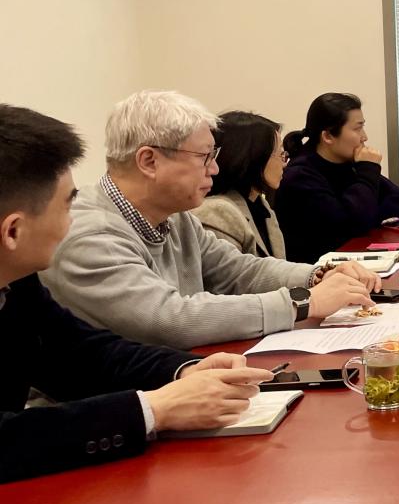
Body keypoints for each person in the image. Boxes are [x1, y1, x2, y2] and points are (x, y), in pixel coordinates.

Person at [0, 104, 277, 483]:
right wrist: (151, 409)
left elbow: (81, 351)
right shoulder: (88, 234)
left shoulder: (19, 282)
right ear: (13, 231)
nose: (72, 219)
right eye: (67, 205)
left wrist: (184, 369)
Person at [42, 91, 378, 350]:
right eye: (204, 157)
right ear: (149, 161)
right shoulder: (89, 233)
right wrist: (304, 302)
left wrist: (317, 275)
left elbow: (239, 270)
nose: (215, 168)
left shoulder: (176, 218)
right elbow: (169, 319)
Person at [274, 93, 399, 263]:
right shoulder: (299, 177)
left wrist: (368, 210)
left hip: (358, 262)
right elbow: (351, 225)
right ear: (328, 136)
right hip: (318, 272)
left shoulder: (349, 165)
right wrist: (368, 170)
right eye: (357, 129)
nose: (364, 137)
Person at [191, 111, 288, 259]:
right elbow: (232, 272)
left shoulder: (261, 205)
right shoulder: (217, 212)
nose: (284, 163)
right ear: (255, 156)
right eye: (280, 154)